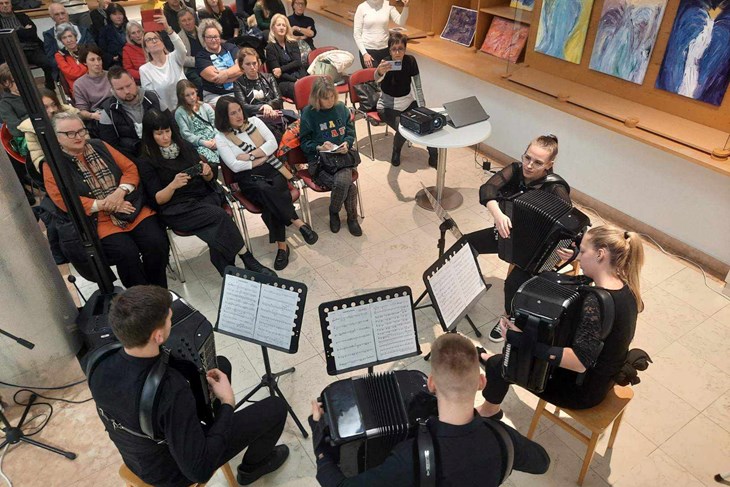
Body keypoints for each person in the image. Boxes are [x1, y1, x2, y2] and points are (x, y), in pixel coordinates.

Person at [88, 285, 290, 487]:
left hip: (138, 455)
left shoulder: (98, 361)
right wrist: (227, 403)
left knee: (221, 364)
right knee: (276, 407)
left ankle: (216, 423)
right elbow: (199, 471)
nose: (171, 320)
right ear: (158, 336)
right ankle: (251, 469)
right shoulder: (171, 390)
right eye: (169, 319)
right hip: (171, 473)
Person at [310, 333, 551, 486]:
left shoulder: (409, 458)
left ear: (432, 383)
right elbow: (542, 462)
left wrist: (320, 440)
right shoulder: (503, 437)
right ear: (481, 382)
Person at [477, 225, 645, 416]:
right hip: (602, 380)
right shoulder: (627, 288)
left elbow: (579, 362)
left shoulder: (595, 301)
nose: (579, 257)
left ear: (600, 254)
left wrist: (519, 340)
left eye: (582, 252)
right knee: (514, 351)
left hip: (579, 391)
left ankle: (488, 410)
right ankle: (493, 360)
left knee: (501, 363)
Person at [138, 109, 274, 277]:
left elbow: (209, 179)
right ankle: (247, 258)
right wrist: (173, 185)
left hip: (202, 196)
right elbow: (157, 199)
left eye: (167, 131)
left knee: (215, 225)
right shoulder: (146, 161)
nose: (165, 137)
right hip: (177, 208)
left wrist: (208, 172)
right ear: (150, 135)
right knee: (219, 216)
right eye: (159, 133)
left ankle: (228, 272)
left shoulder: (184, 146)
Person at [464, 135, 572, 343]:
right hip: (507, 235)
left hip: (537, 251)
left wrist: (571, 251)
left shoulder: (556, 189)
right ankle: (467, 289)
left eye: (538, 162)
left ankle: (509, 318)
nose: (529, 166)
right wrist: (497, 213)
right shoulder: (514, 170)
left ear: (550, 165)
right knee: (468, 243)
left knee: (513, 283)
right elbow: (487, 189)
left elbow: (572, 226)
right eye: (527, 157)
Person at [46, 112, 169, 288]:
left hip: (128, 206)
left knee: (156, 242)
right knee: (127, 254)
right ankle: (141, 297)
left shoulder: (99, 145)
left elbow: (130, 169)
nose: (79, 136)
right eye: (70, 133)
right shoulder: (52, 164)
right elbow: (61, 198)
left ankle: (158, 289)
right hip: (98, 219)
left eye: (81, 131)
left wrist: (120, 192)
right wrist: (106, 204)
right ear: (56, 137)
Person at [214, 96, 318, 270]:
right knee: (264, 190)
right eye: (233, 113)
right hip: (249, 178)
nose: (239, 115)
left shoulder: (255, 121)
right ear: (224, 117)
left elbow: (272, 145)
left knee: (270, 198)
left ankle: (282, 247)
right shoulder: (221, 137)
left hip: (272, 168)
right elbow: (234, 166)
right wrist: (259, 159)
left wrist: (250, 156)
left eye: (239, 110)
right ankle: (298, 223)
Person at [299, 77, 362, 237]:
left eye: (332, 96)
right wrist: (319, 147)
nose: (330, 100)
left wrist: (347, 144)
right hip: (320, 162)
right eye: (325, 98)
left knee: (342, 181)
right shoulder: (309, 113)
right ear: (317, 98)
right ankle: (348, 217)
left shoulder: (341, 108)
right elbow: (304, 143)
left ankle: (337, 213)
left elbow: (350, 132)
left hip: (342, 158)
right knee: (349, 186)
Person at [375, 32, 437, 168]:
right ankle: (396, 151)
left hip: (408, 103)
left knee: (428, 123)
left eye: (400, 49)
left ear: (405, 49)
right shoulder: (385, 62)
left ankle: (434, 154)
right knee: (404, 128)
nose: (397, 53)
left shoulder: (410, 61)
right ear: (389, 50)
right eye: (394, 49)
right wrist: (380, 71)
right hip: (388, 106)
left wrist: (423, 108)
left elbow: (417, 87)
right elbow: (376, 79)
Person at [99, 66, 162, 159]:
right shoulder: (108, 113)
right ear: (113, 90)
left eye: (128, 85)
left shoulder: (152, 98)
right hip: (133, 156)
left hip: (161, 147)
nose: (127, 91)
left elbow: (172, 126)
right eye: (120, 89)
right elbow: (112, 148)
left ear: (133, 80)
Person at [234, 47, 297, 138]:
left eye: (254, 63)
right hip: (254, 118)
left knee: (295, 123)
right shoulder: (238, 83)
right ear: (241, 66)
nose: (252, 67)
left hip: (274, 114)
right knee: (272, 131)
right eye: (248, 64)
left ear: (258, 63)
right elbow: (243, 105)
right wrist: (263, 107)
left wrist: (269, 106)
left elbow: (278, 98)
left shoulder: (269, 77)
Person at [19, 87, 80, 173]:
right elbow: (38, 157)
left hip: (80, 159)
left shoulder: (70, 116)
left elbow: (86, 141)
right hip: (57, 168)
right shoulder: (31, 129)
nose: (52, 110)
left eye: (54, 105)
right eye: (45, 107)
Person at [0, 0, 54, 89]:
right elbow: (3, 38)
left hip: (31, 48)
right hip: (12, 52)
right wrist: (22, 30)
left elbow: (32, 33)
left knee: (48, 63)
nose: (5, 5)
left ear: (11, 4)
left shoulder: (22, 16)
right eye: (1, 4)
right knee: (16, 71)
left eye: (7, 3)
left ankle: (50, 88)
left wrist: (13, 32)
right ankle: (23, 91)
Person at [140, 15, 187, 111]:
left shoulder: (174, 57)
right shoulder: (144, 69)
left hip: (187, 106)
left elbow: (182, 49)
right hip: (167, 113)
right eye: (149, 40)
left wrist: (167, 28)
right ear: (146, 48)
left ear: (162, 42)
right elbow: (151, 96)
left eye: (156, 38)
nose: (154, 41)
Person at [195, 19, 242, 105]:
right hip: (215, 95)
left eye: (216, 36)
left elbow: (241, 67)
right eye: (209, 37)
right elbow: (215, 78)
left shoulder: (231, 48)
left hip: (238, 91)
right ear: (204, 39)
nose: (213, 40)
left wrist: (226, 74)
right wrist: (236, 75)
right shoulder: (201, 57)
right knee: (228, 106)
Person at [43, 2, 95, 77]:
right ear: (52, 17)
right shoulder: (49, 35)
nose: (61, 17)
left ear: (67, 14)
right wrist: (67, 67)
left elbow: (93, 49)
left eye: (63, 13)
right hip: (66, 71)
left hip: (88, 66)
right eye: (57, 15)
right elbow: (51, 58)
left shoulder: (83, 30)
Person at [174, 79, 220, 164]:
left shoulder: (205, 106)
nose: (192, 97)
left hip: (214, 137)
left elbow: (216, 123)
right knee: (205, 155)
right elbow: (186, 134)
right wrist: (204, 143)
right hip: (198, 142)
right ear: (182, 97)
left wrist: (216, 138)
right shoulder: (180, 112)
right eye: (187, 95)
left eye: (193, 93)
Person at [353, 0, 409, 69]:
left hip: (386, 49)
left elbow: (401, 22)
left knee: (388, 76)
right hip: (368, 51)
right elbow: (356, 34)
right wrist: (364, 54)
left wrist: (406, 6)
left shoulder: (388, 4)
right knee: (373, 77)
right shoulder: (361, 7)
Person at [264, 14, 307, 100]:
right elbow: (277, 74)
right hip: (284, 81)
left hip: (299, 75)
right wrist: (296, 81)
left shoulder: (293, 43)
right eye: (278, 25)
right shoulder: (270, 48)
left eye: (284, 25)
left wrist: (281, 69)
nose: (282, 27)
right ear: (273, 28)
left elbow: (298, 62)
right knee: (300, 91)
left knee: (315, 87)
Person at [73, 45, 111, 125]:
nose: (97, 63)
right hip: (98, 116)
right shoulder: (79, 84)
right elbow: (81, 111)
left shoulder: (111, 76)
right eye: (92, 60)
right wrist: (93, 115)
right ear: (85, 62)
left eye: (99, 59)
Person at [0, 63, 29, 156]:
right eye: (15, 80)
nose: (21, 82)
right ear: (5, 83)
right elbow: (15, 130)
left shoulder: (32, 92)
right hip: (28, 140)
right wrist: (32, 115)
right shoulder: (5, 104)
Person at [54, 23, 89, 97]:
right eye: (64, 38)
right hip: (78, 89)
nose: (69, 40)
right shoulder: (60, 55)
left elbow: (96, 67)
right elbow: (72, 74)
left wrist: (79, 68)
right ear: (61, 41)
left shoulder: (86, 49)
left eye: (70, 36)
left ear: (75, 37)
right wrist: (85, 67)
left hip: (94, 83)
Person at [177, 8, 204, 88]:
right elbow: (181, 58)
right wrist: (199, 61)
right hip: (191, 68)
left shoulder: (203, 31)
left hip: (208, 62)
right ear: (180, 24)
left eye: (189, 19)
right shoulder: (178, 38)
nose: (187, 23)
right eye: (184, 21)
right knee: (201, 82)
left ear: (194, 19)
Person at [99, 3, 128, 69]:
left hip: (131, 58)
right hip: (115, 62)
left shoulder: (129, 27)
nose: (118, 17)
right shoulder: (104, 31)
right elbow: (102, 50)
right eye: (115, 14)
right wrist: (112, 58)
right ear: (109, 16)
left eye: (120, 14)